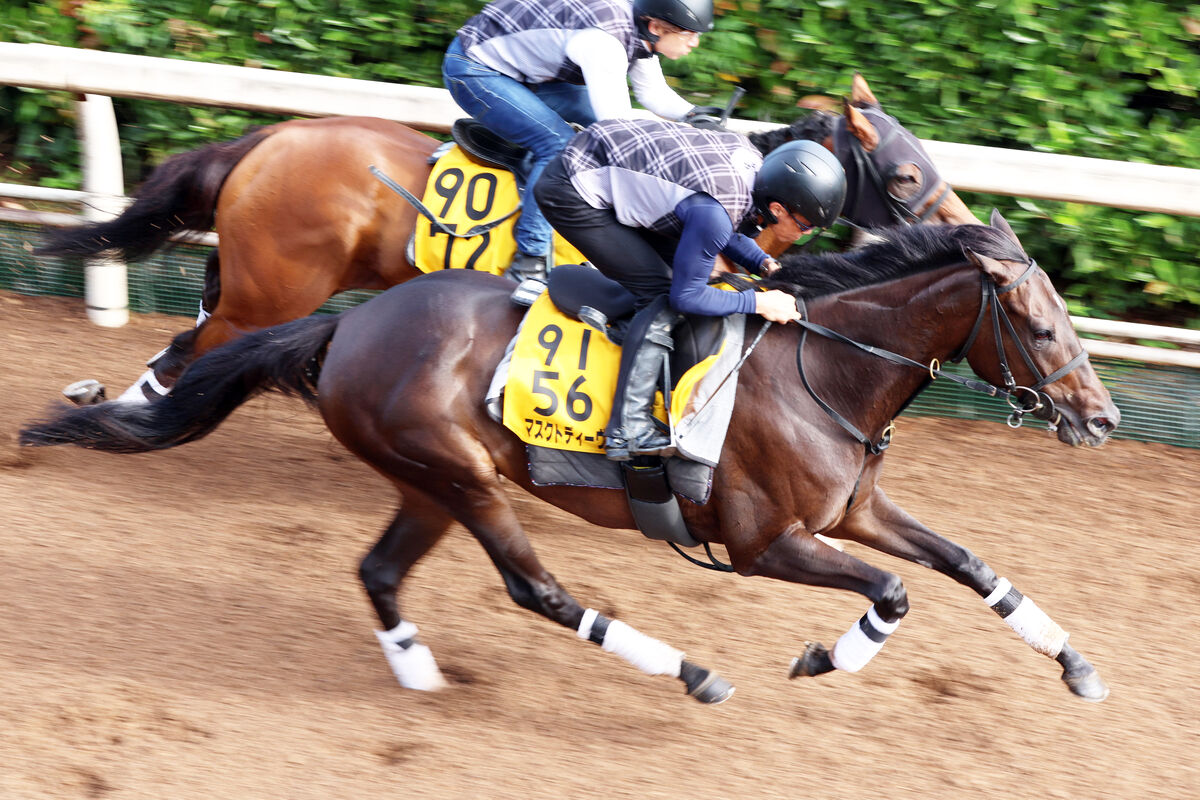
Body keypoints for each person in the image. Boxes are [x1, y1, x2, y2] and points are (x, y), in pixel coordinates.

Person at [534, 118, 846, 461]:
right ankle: (626, 430)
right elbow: (688, 294)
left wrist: (764, 263)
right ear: (777, 209)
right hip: (570, 188)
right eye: (805, 226)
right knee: (662, 295)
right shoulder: (714, 212)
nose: (806, 234)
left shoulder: (756, 169)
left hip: (606, 165)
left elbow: (729, 224)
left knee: (677, 276)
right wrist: (758, 302)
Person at [442, 0, 714, 282]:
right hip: (475, 68)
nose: (694, 43)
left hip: (526, 72)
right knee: (559, 144)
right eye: (688, 34)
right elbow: (616, 127)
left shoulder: (642, 29)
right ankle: (529, 260)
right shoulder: (604, 43)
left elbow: (652, 92)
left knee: (590, 128)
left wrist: (695, 115)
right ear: (656, 26)